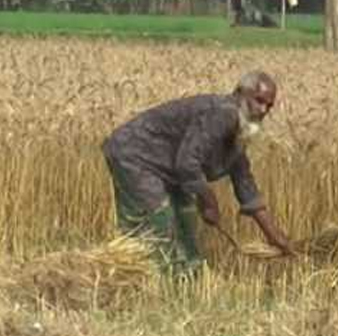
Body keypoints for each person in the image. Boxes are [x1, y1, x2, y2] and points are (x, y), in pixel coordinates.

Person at [101, 71, 295, 275]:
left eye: (269, 106)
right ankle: (151, 280)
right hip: (135, 155)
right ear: (239, 93)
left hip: (168, 168)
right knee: (158, 222)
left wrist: (274, 236)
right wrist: (208, 199)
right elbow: (188, 162)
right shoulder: (223, 114)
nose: (263, 110)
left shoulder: (240, 128)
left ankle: (189, 278)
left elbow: (244, 182)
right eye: (259, 101)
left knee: (186, 220)